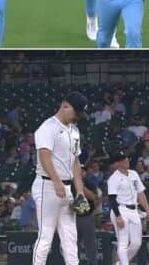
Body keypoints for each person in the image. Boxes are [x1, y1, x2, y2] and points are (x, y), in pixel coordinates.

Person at [31, 92, 89, 265]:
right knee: (45, 237)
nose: (78, 116)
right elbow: (44, 156)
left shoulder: (75, 131)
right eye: (76, 112)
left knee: (70, 238)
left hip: (67, 188)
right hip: (47, 186)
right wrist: (56, 182)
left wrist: (79, 191)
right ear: (65, 106)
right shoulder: (47, 127)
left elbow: (75, 163)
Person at [107, 152, 149, 265]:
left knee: (136, 243)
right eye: (123, 160)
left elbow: (141, 194)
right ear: (117, 164)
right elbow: (112, 200)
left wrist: (148, 210)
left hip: (134, 210)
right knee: (123, 242)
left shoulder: (134, 174)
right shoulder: (113, 179)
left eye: (126, 158)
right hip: (120, 209)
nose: (126, 161)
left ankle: (121, 263)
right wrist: (118, 216)